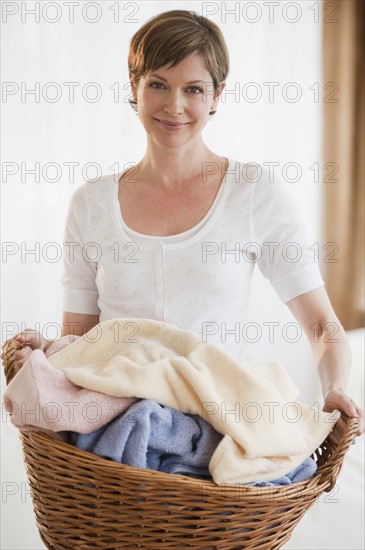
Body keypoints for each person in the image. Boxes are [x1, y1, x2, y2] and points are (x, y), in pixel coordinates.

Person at [5, 9, 363, 441]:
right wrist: (42, 360)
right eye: (158, 84)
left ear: (216, 96)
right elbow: (81, 344)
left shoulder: (254, 194)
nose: (174, 106)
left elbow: (324, 327)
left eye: (193, 89)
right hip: (113, 430)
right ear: (134, 87)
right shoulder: (91, 204)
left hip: (220, 425)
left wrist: (335, 390)